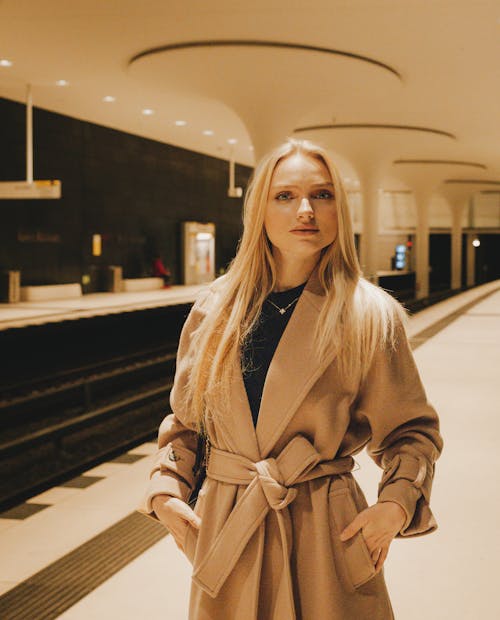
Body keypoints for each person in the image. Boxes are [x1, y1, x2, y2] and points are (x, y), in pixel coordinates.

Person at [137, 138, 444, 619]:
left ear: (339, 209)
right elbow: (185, 423)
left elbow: (413, 433)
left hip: (324, 528)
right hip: (230, 525)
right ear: (260, 208)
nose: (306, 209)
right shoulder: (214, 309)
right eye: (285, 196)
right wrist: (166, 493)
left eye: (322, 195)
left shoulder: (369, 315)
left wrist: (396, 505)